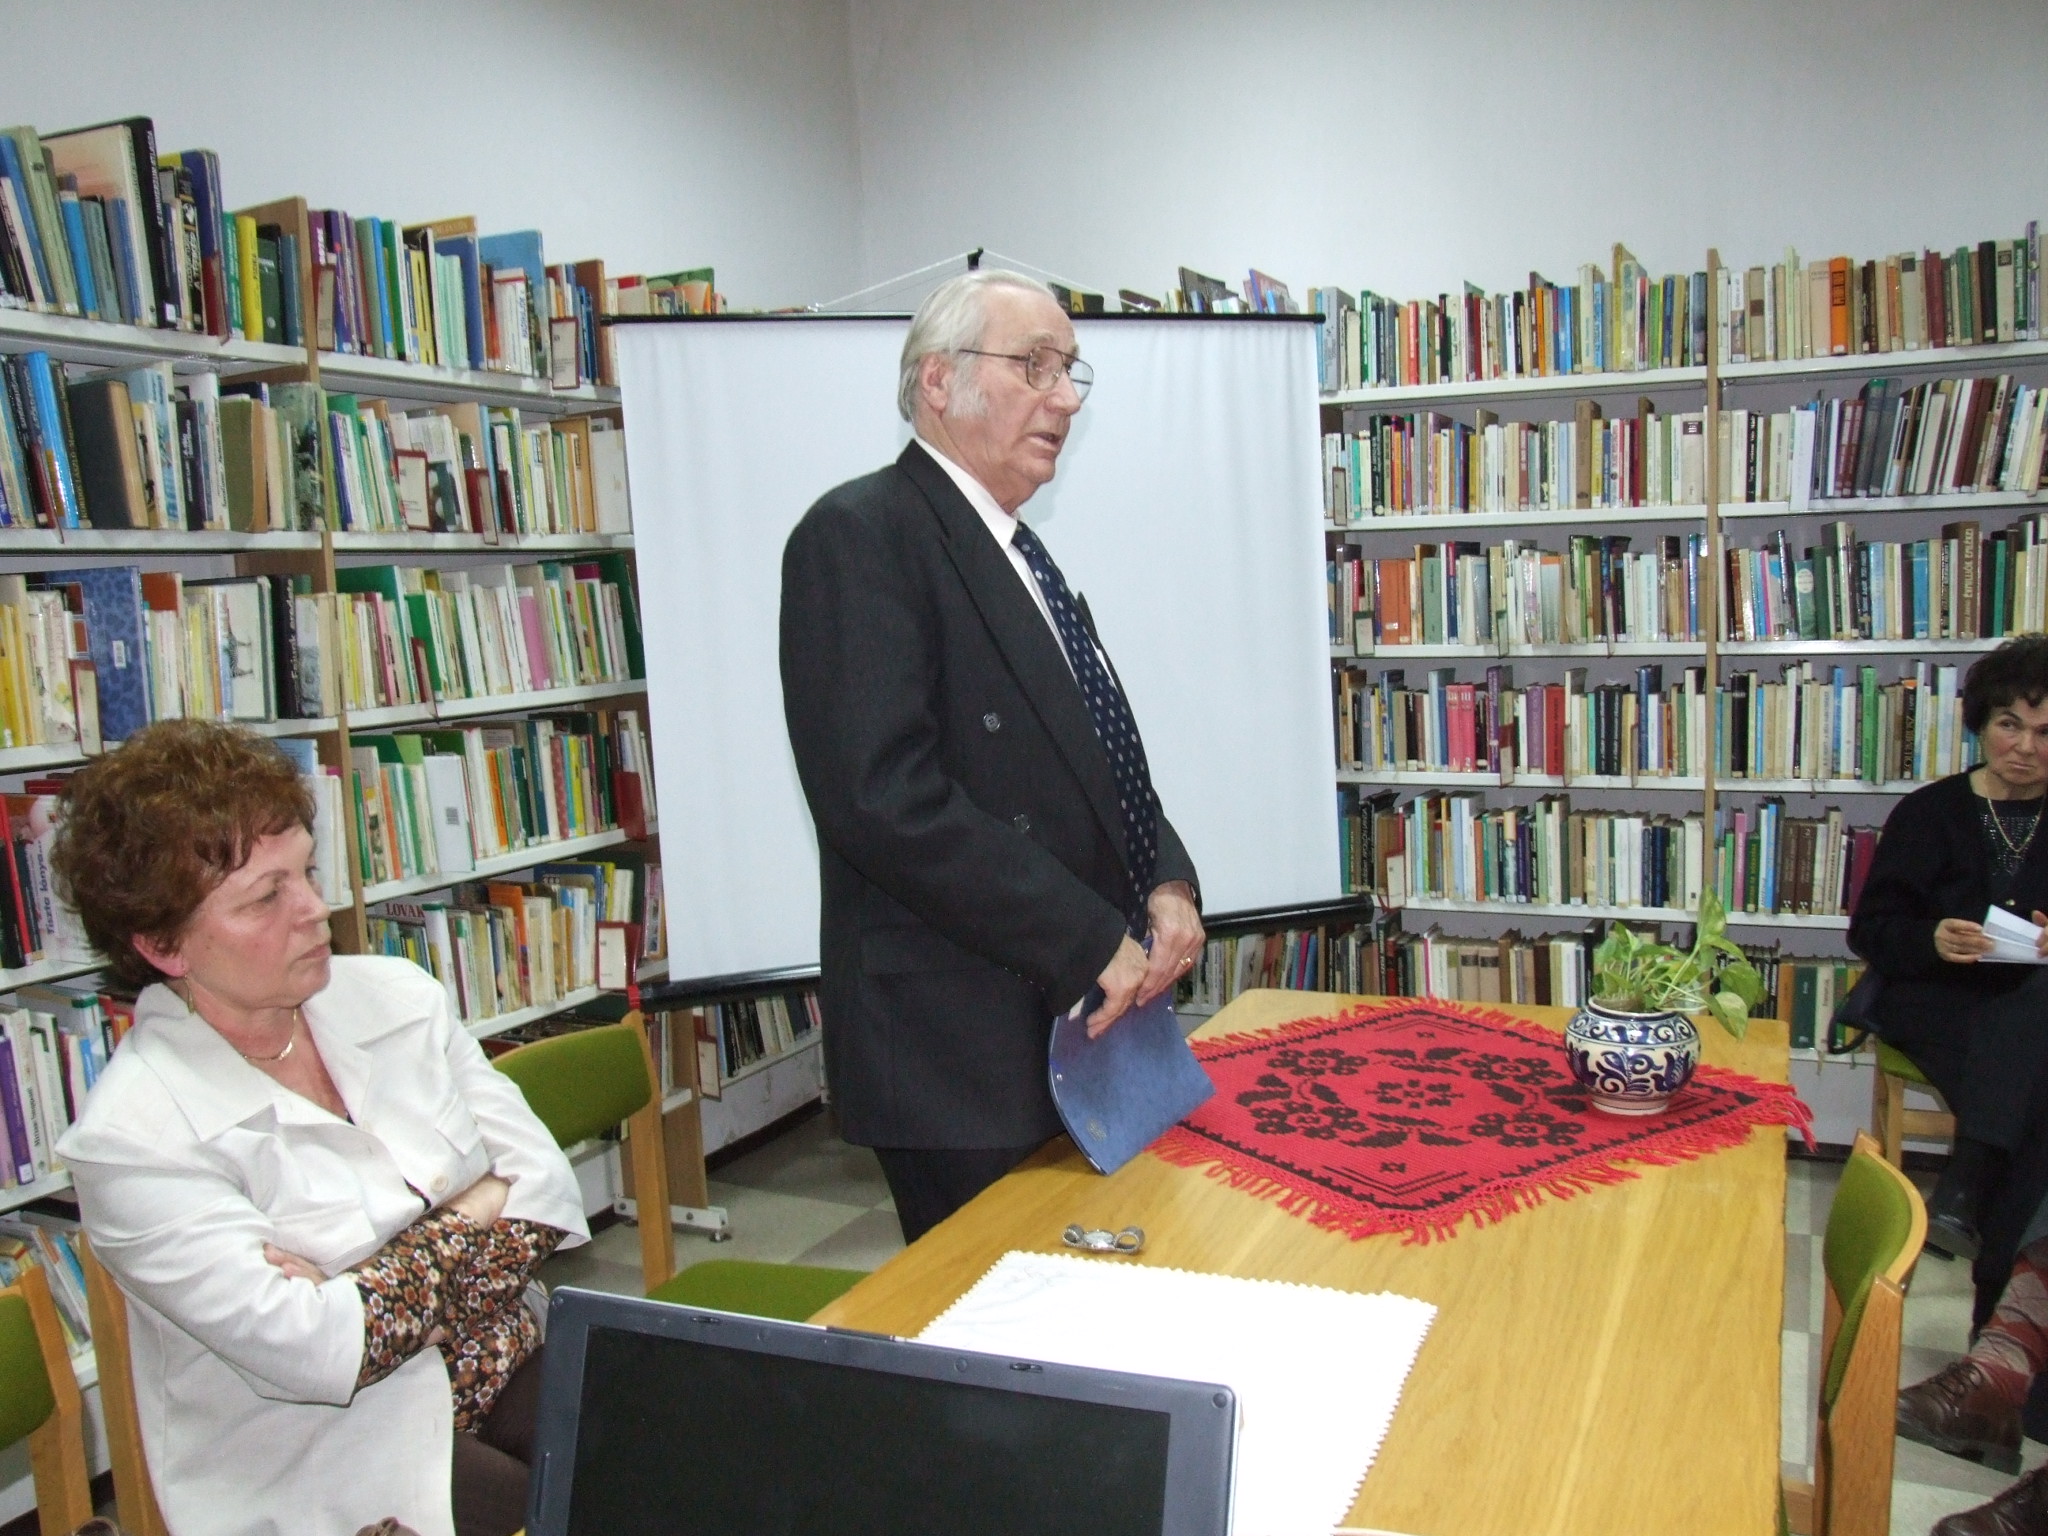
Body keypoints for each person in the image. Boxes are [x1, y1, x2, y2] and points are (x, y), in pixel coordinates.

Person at [51, 720, 588, 1536]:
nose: (314, 910)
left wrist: (366, 1284)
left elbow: (543, 1190)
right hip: (325, 1454)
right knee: (569, 1510)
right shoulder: (132, 1140)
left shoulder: (397, 996)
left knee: (676, 1449)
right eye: (266, 897)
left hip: (509, 1358)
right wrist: (475, 1211)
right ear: (163, 945)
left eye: (306, 871)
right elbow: (323, 1353)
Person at [778, 269, 1205, 1243]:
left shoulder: (1022, 556)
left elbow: (1097, 756)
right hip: (957, 1050)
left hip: (1071, 1022)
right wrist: (1083, 937)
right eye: (1035, 365)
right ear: (938, 380)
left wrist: (1167, 880)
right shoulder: (859, 535)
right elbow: (884, 800)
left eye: (1070, 370)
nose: (1065, 398)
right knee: (997, 1319)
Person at [1848, 637, 2048, 1259]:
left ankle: (1968, 1194)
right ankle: (2003, 1269)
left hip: (2036, 1007)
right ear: (1982, 725)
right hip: (1940, 1003)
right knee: (2033, 1101)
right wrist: (1931, 938)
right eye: (2010, 725)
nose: (2026, 746)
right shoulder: (1928, 813)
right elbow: (1871, 929)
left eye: (2046, 732)